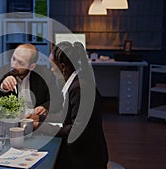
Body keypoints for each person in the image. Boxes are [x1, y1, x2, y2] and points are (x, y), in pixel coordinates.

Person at [27, 41, 109, 169]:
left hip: (86, 159)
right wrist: (41, 119)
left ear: (63, 67)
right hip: (83, 151)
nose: (51, 70)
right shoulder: (76, 82)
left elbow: (76, 131)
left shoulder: (80, 89)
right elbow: (67, 116)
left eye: (52, 66)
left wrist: (41, 127)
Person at [0, 43, 61, 117]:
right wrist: (3, 88)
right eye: (13, 59)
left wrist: (44, 107)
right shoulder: (0, 73)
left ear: (31, 67)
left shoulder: (45, 74)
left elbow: (57, 101)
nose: (13, 65)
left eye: (20, 63)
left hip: (34, 120)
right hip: (11, 120)